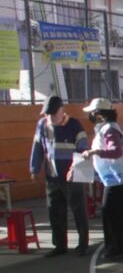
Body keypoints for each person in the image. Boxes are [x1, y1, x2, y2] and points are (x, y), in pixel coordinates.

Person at [29, 95, 90, 257]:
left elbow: (83, 149)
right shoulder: (42, 125)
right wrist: (34, 168)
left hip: (72, 177)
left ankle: (83, 244)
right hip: (52, 177)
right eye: (47, 114)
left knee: (78, 210)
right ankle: (60, 245)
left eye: (53, 113)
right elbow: (37, 147)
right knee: (54, 211)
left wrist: (76, 169)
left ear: (62, 110)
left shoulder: (74, 125)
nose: (49, 117)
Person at [81, 98, 123, 260]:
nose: (90, 115)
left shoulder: (109, 130)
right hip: (120, 177)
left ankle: (114, 248)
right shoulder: (110, 128)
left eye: (92, 112)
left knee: (109, 212)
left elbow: (116, 151)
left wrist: (95, 152)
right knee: (117, 213)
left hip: (117, 178)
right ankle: (122, 246)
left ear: (98, 114)